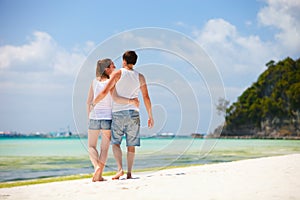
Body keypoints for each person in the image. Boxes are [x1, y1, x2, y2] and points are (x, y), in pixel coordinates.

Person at [92, 50, 154, 179]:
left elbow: (105, 91)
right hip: (134, 113)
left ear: (124, 61)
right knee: (131, 145)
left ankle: (120, 169)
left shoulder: (118, 73)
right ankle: (129, 173)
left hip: (118, 113)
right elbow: (146, 97)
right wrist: (150, 115)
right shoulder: (140, 76)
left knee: (116, 143)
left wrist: (94, 103)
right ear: (135, 62)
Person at [87, 58, 139, 182]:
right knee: (104, 149)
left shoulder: (94, 82)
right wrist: (131, 101)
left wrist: (88, 115)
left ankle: (96, 169)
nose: (115, 67)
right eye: (112, 66)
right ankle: (99, 172)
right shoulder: (112, 81)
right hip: (108, 119)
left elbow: (88, 101)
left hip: (94, 117)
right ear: (106, 69)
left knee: (91, 146)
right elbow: (116, 98)